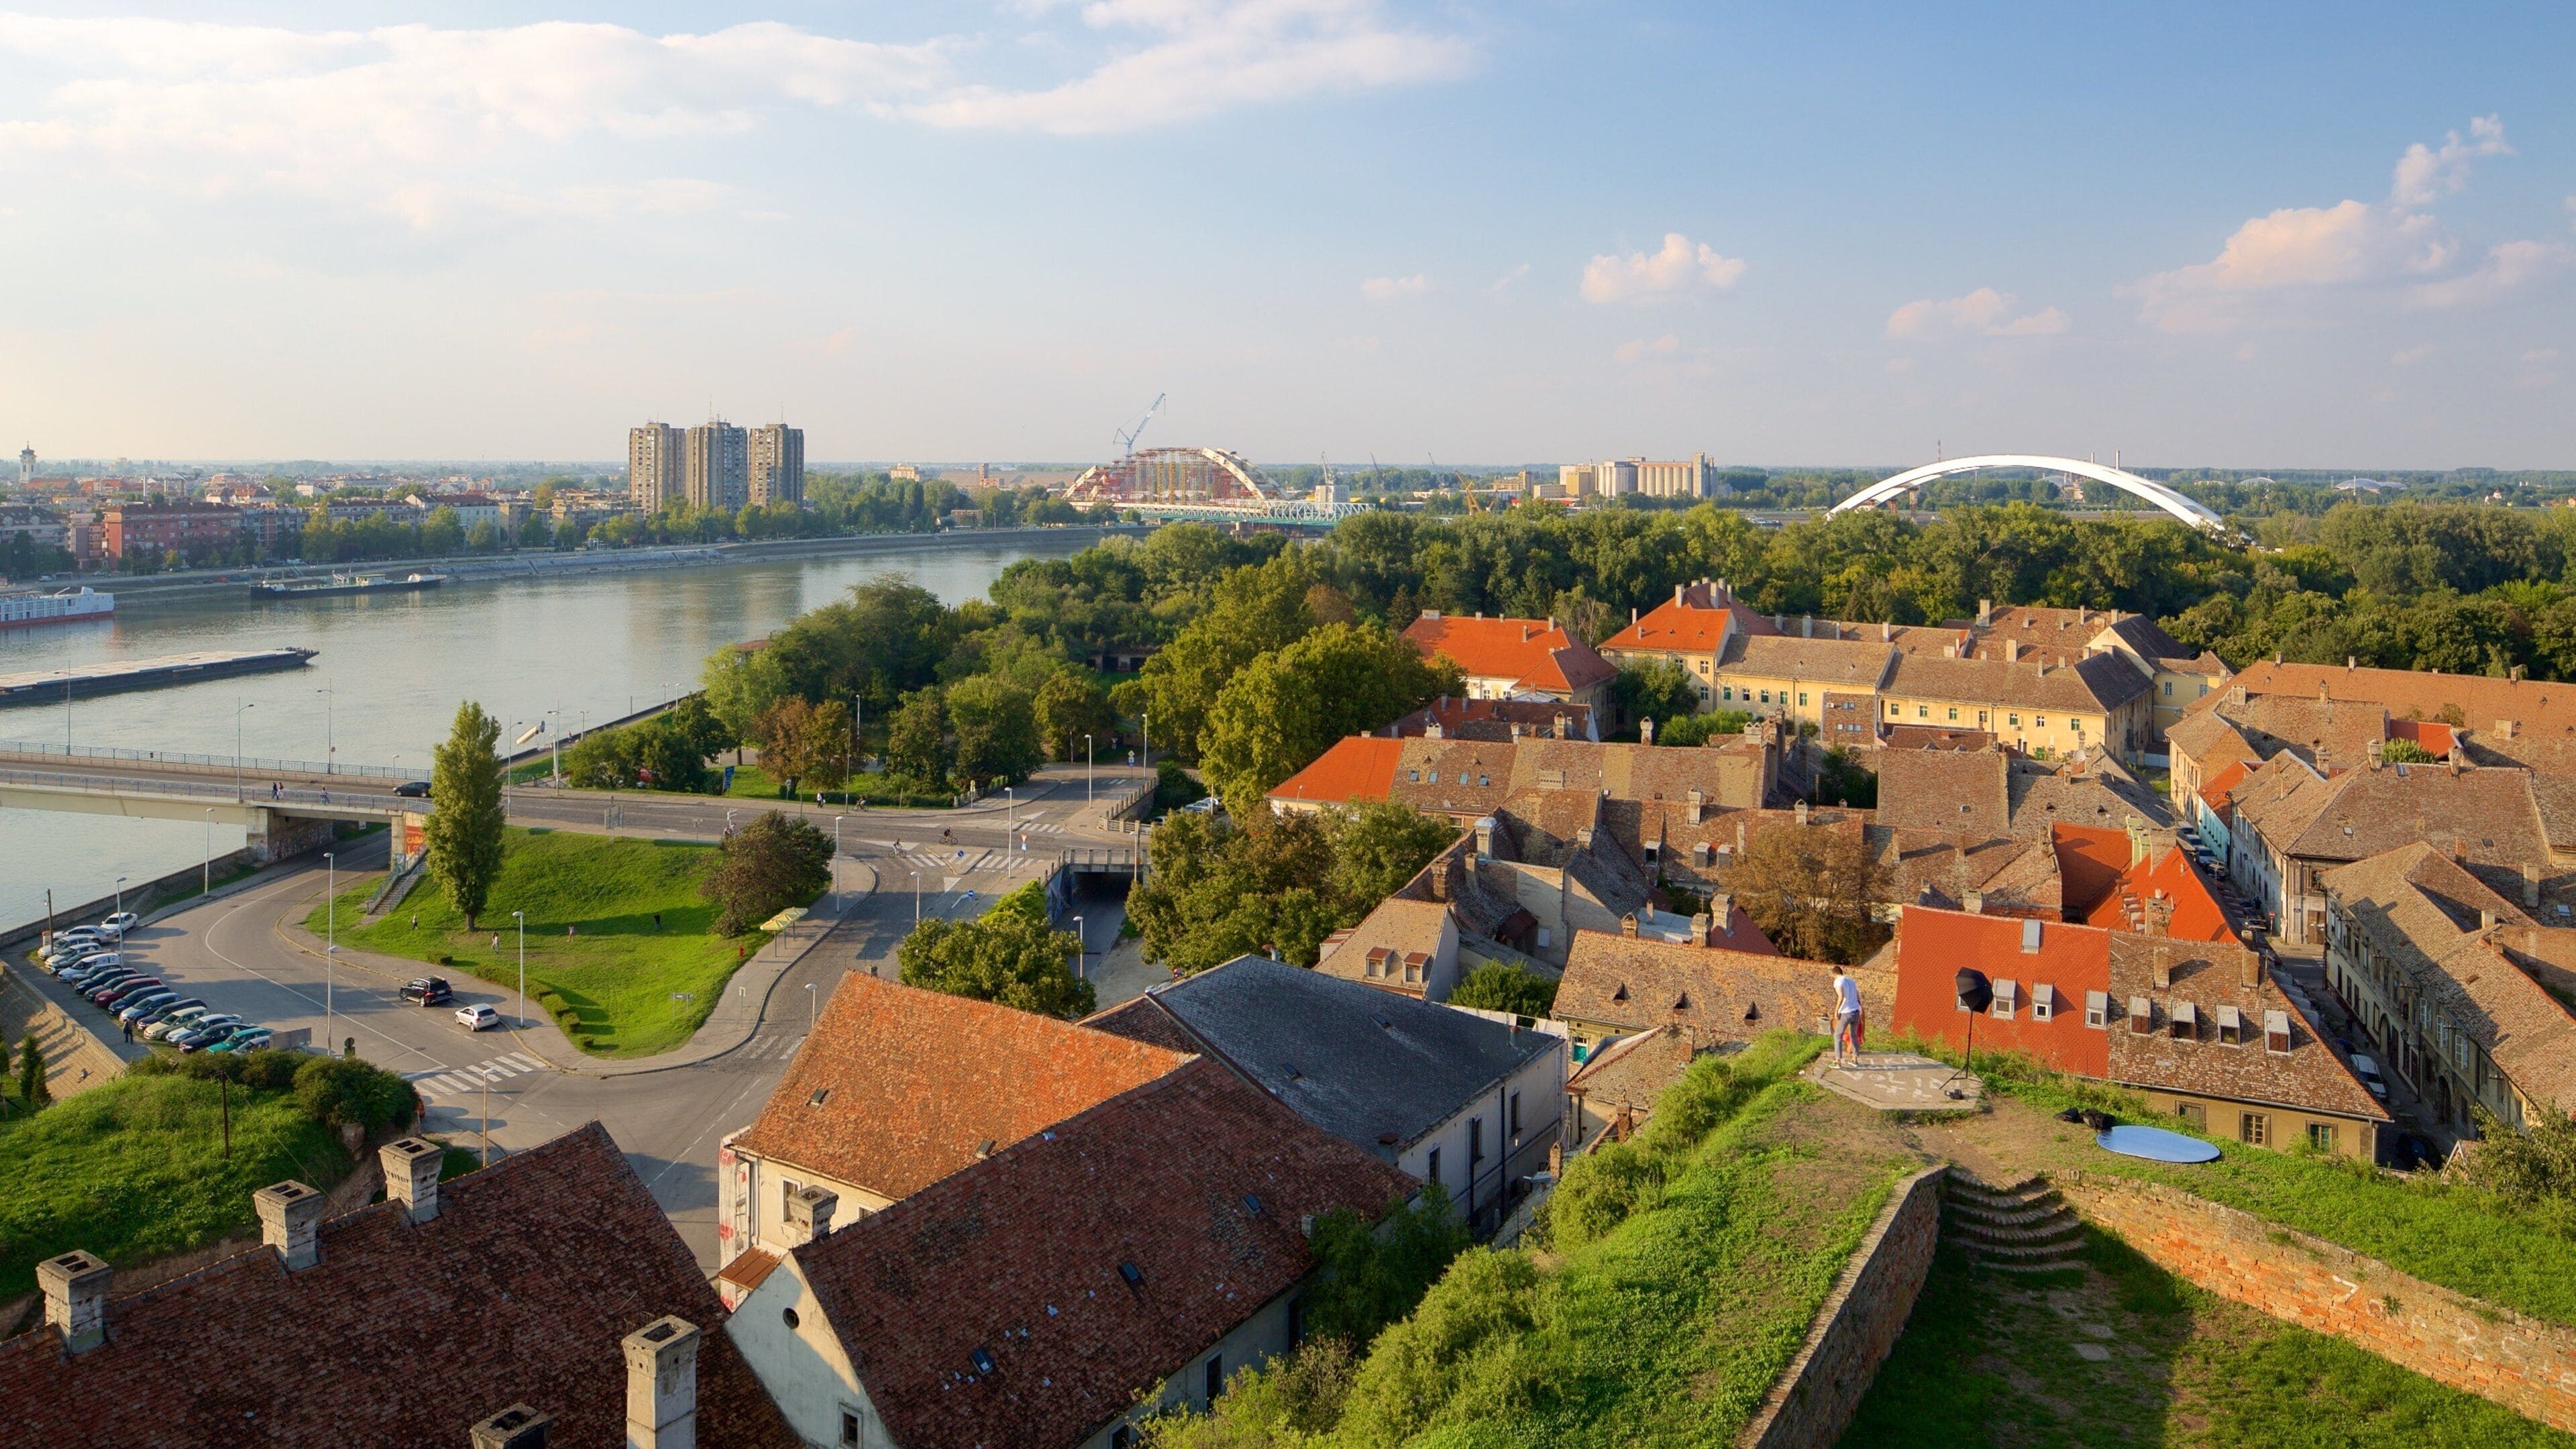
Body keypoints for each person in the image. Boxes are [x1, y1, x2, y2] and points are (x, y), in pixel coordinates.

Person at [1831, 963, 1864, 1067]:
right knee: (1853, 1035)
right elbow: (1858, 997)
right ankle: (1854, 1060)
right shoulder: (1852, 981)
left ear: (1834, 974)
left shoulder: (1838, 982)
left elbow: (1841, 997)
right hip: (1856, 1012)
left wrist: (1837, 1011)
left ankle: (1837, 1061)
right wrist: (1860, 1008)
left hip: (1846, 1012)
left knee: (1837, 1035)